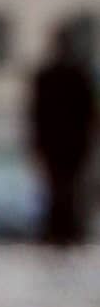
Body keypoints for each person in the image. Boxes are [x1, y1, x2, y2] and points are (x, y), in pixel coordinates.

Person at [27, 26, 98, 246]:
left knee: (59, 187)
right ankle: (66, 228)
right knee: (68, 187)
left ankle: (60, 229)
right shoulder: (78, 73)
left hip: (57, 143)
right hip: (72, 142)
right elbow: (90, 112)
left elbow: (35, 113)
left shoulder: (47, 75)